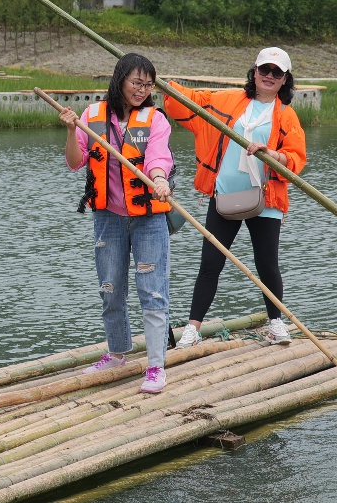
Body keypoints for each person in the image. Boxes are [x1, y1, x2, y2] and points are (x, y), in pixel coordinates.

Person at [164, 47, 307, 346]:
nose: (269, 76)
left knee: (267, 265)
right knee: (210, 263)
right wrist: (162, 83)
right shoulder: (229, 100)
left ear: (285, 80)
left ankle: (276, 323)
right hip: (225, 196)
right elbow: (189, 101)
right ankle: (192, 329)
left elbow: (295, 158)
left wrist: (273, 154)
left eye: (277, 73)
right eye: (264, 70)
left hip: (266, 199)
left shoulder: (286, 115)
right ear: (254, 72)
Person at [57, 53, 176, 394]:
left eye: (148, 85)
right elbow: (75, 162)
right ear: (120, 79)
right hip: (108, 217)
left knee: (152, 290)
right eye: (136, 82)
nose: (142, 90)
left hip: (148, 217)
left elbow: (158, 158)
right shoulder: (92, 116)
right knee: (110, 288)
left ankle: (156, 367)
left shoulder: (155, 119)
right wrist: (71, 130)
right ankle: (117, 353)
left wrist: (159, 179)